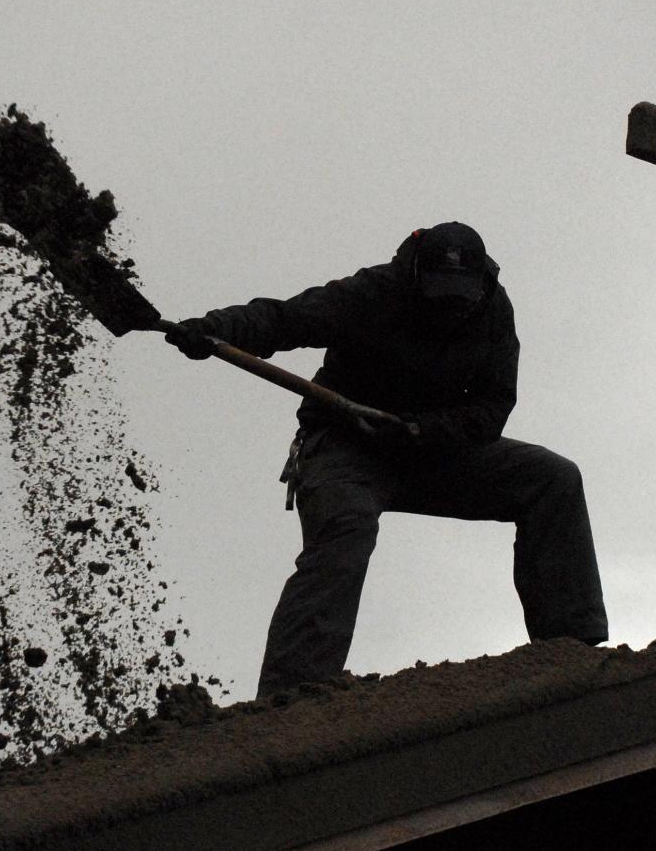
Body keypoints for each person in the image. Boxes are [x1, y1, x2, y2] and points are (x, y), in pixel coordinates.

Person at [166, 222, 608, 697]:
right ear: (416, 276)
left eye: (461, 298)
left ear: (481, 284)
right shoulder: (372, 293)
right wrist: (214, 330)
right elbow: (285, 319)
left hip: (432, 449)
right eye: (439, 294)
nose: (449, 308)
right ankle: (289, 697)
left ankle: (570, 649)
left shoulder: (494, 312)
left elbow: (492, 407)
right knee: (347, 526)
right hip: (345, 446)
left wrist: (423, 430)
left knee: (552, 478)